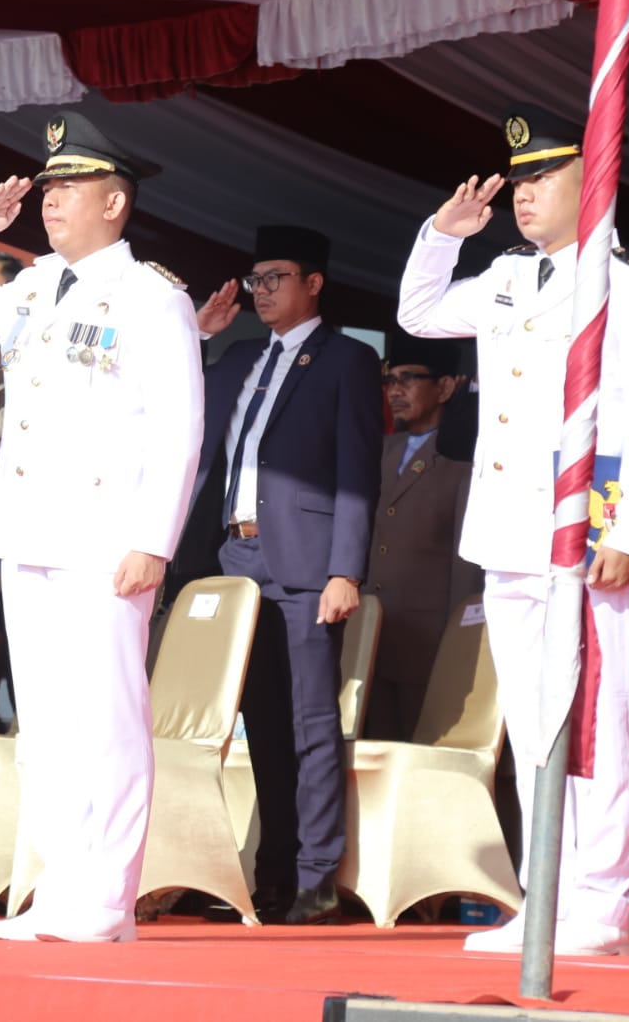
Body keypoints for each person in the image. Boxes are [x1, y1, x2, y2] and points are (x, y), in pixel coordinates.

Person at [397, 103, 629, 957]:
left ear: (592, 180)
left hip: (590, 539)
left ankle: (598, 905)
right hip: (512, 534)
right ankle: (546, 898)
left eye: (542, 178)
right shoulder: (507, 278)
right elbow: (417, 313)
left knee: (597, 723)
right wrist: (442, 234)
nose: (523, 196)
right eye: (518, 181)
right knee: (530, 726)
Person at [0, 111, 204, 943]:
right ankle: (61, 887)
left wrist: (153, 537)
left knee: (105, 716)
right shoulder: (35, 285)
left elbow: (178, 426)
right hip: (27, 530)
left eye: (70, 189)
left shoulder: (152, 298)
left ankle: (107, 899)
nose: (50, 202)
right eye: (48, 189)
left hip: (105, 536)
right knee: (41, 723)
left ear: (114, 202)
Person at [172, 224, 382, 925]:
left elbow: (358, 472)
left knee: (309, 720)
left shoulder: (345, 360)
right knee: (257, 721)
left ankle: (316, 877)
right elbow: (177, 400)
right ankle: (270, 877)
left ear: (312, 283)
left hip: (303, 559)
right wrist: (196, 337)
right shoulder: (236, 359)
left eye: (275, 279)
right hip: (234, 558)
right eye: (255, 280)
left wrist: (343, 569)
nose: (261, 292)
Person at [364, 334, 480, 742]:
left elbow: (465, 564)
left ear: (446, 387)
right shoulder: (380, 448)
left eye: (409, 378)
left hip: (430, 641)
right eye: (390, 380)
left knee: (426, 751)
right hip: (371, 635)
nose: (395, 390)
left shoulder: (466, 458)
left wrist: (458, 639)